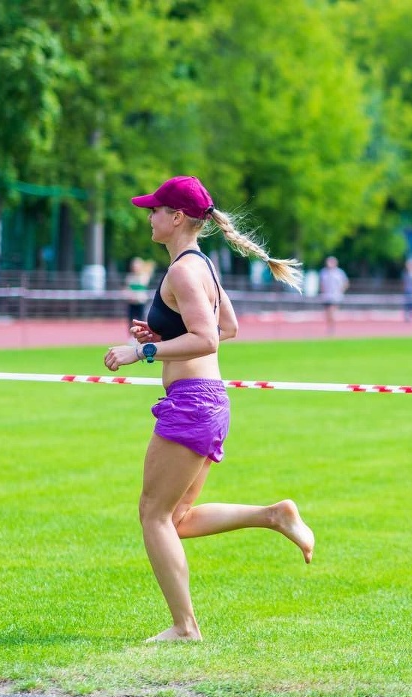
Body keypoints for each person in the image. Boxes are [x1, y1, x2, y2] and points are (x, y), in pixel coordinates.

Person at [103, 175, 315, 643]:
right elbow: (230, 326)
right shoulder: (202, 265)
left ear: (177, 217)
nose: (149, 216)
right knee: (175, 518)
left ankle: (185, 627)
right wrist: (163, 338)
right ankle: (273, 515)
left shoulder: (183, 269)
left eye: (155, 210)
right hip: (208, 402)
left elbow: (210, 337)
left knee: (153, 515)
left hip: (193, 403)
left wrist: (143, 353)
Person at [318, 256, 349, 334]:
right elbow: (321, 284)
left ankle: (331, 328)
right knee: (328, 313)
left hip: (335, 296)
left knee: (331, 311)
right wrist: (322, 291)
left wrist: (341, 291)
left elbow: (345, 283)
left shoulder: (339, 273)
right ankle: (330, 326)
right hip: (326, 296)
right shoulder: (323, 272)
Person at [123, 257, 154, 331]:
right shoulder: (129, 277)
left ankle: (142, 334)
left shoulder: (143, 276)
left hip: (140, 302)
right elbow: (127, 288)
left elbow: (142, 284)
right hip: (131, 302)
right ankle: (131, 336)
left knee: (141, 320)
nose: (135, 268)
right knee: (130, 320)